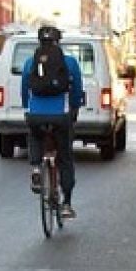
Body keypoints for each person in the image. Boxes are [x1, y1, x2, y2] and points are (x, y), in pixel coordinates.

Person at [22, 25, 86, 218]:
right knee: (65, 157)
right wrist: (74, 110)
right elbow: (76, 91)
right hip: (61, 115)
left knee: (35, 135)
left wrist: (28, 107)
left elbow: (25, 89)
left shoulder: (29, 62)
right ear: (59, 42)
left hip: (36, 114)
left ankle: (35, 167)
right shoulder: (70, 62)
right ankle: (66, 203)